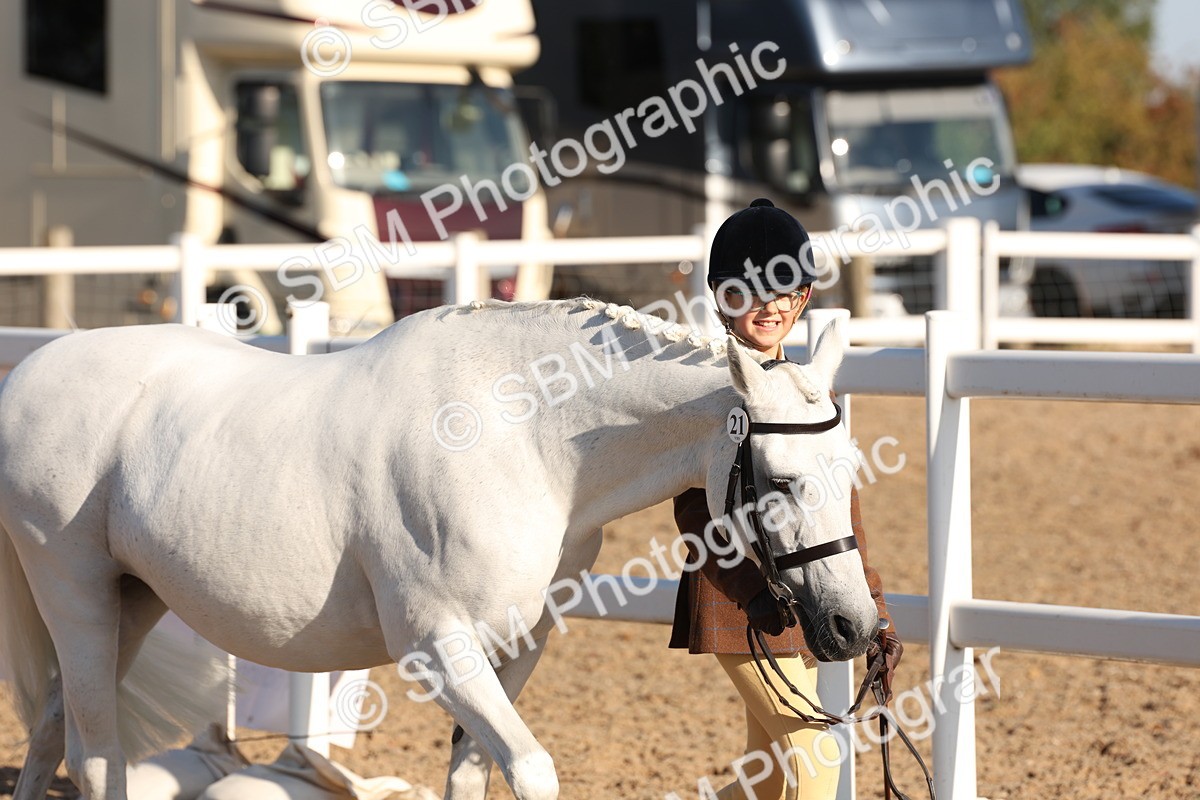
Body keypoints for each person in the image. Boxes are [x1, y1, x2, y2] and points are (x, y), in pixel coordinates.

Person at [669, 198, 903, 800]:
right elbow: (694, 512)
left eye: (785, 292)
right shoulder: (712, 394)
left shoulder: (809, 391)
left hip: (803, 601)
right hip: (738, 604)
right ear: (721, 297)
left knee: (769, 780)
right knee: (816, 763)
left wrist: (872, 606)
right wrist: (751, 591)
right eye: (750, 292)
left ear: (803, 298)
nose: (770, 306)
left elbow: (838, 515)